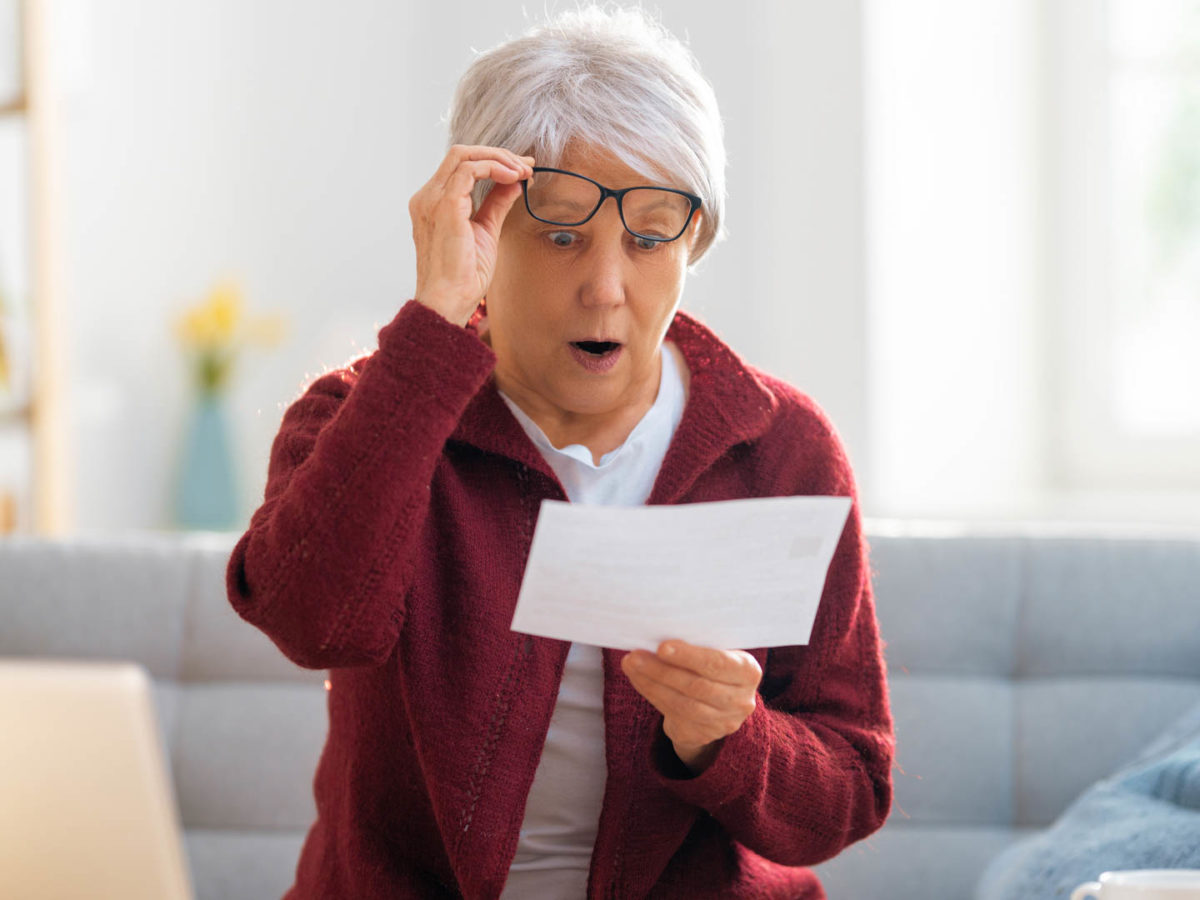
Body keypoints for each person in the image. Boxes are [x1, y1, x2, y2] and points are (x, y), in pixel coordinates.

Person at [225, 6, 894, 898]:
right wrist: (432, 327)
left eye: (652, 232)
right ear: (484, 225)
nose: (607, 288)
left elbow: (850, 790)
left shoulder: (781, 449)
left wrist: (733, 738)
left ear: (695, 239)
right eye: (563, 231)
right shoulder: (360, 416)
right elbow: (313, 622)